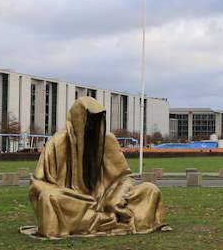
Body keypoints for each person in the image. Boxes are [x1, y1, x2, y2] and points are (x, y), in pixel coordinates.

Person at [21, 97, 169, 239]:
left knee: (150, 189)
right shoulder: (57, 142)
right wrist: (62, 192)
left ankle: (100, 219)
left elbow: (125, 177)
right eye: (88, 121)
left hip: (107, 198)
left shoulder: (108, 140)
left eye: (96, 121)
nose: (91, 126)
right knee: (50, 197)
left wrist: (118, 196)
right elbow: (36, 184)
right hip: (74, 201)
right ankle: (105, 219)